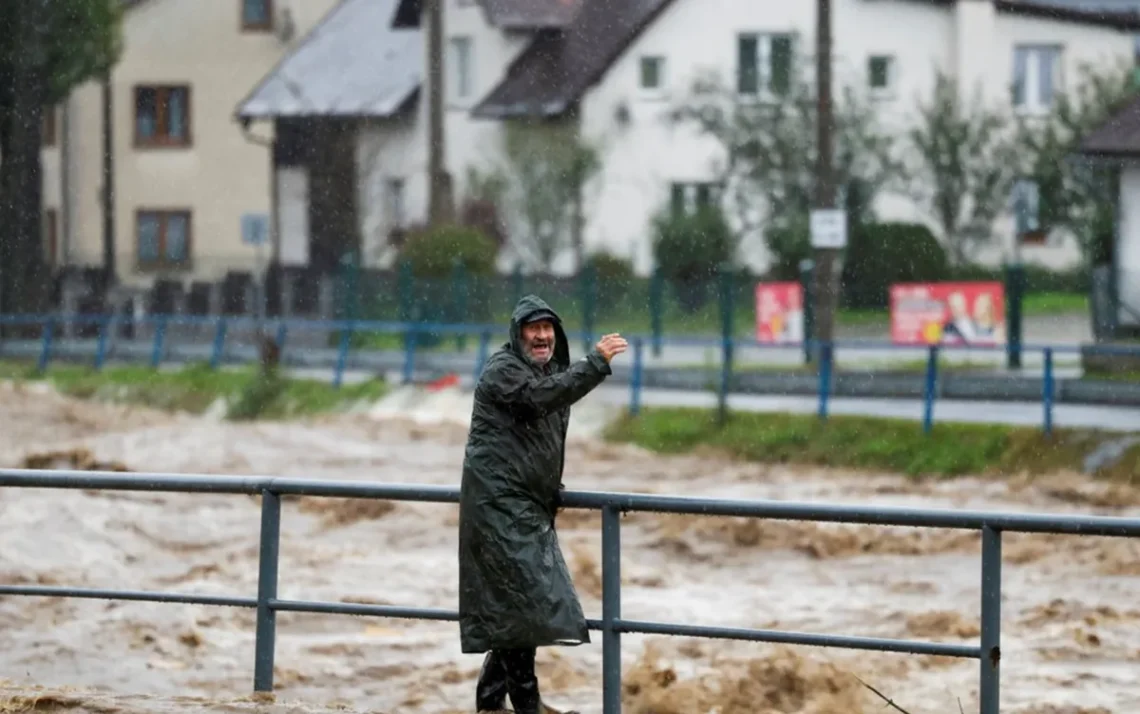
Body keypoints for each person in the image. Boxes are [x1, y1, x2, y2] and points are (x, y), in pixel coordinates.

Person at [457, 295, 628, 714]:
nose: (542, 335)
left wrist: (551, 489)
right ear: (517, 334)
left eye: (548, 328)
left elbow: (538, 438)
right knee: (525, 608)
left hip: (525, 508)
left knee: (518, 608)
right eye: (533, 328)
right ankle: (527, 706)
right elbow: (538, 399)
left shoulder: (547, 371)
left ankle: (491, 704)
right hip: (499, 509)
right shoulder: (504, 371)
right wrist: (595, 363)